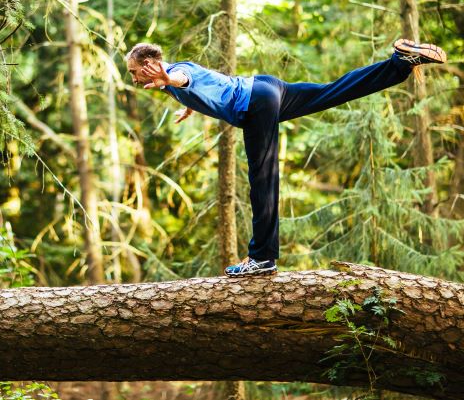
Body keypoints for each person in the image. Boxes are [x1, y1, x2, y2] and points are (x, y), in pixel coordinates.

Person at [125, 39, 446, 278]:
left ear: (148, 65)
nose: (133, 78)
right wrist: (189, 103)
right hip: (266, 87)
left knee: (262, 181)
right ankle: (400, 63)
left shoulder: (174, 74)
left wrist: (173, 83)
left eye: (133, 72)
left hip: (254, 105)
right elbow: (197, 81)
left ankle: (262, 257)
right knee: (333, 90)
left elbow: (184, 78)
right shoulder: (176, 71)